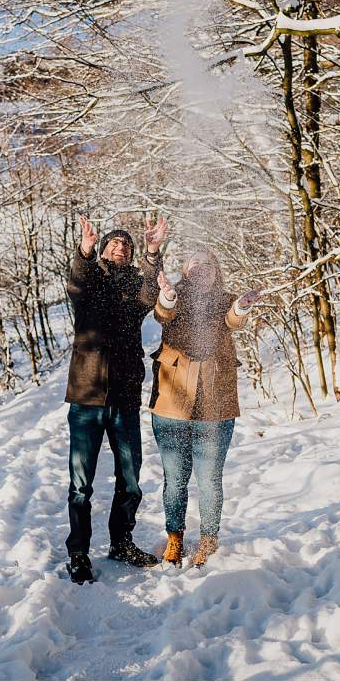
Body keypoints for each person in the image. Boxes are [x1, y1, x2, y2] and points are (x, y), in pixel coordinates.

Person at [62, 213, 168, 584]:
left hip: (124, 397)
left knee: (131, 479)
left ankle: (121, 542)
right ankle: (78, 554)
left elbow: (151, 293)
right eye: (113, 243)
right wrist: (85, 250)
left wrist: (153, 251)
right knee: (81, 485)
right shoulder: (89, 282)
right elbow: (76, 284)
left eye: (126, 244)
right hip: (87, 396)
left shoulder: (135, 287)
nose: (120, 247)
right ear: (104, 249)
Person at [148, 250, 261, 567]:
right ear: (185, 271)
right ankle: (175, 538)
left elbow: (233, 319)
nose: (202, 270)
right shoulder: (175, 296)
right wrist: (167, 296)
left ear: (217, 272)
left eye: (208, 265)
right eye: (195, 265)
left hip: (216, 404)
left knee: (209, 478)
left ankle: (209, 539)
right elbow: (162, 313)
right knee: (175, 478)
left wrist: (242, 305)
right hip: (172, 403)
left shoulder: (227, 300)